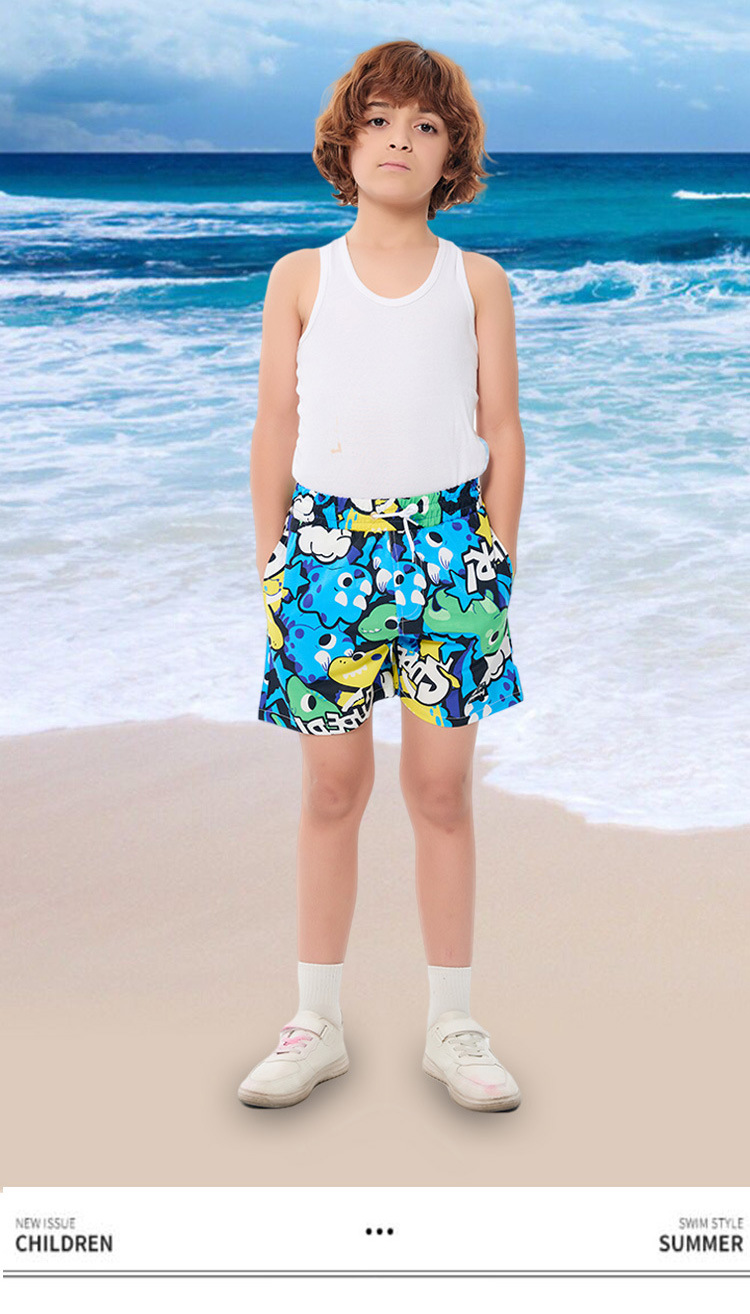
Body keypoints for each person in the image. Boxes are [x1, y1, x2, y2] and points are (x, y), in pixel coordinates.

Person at [239, 39, 525, 1113]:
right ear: (345, 142)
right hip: (325, 553)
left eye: (425, 125)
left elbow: (503, 428)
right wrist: (272, 559)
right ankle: (315, 1021)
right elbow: (276, 424)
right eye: (380, 120)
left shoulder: (478, 281)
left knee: (441, 792)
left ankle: (454, 1024)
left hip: (450, 549)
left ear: (452, 156)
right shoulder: (300, 276)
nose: (400, 139)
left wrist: (496, 557)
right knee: (331, 790)